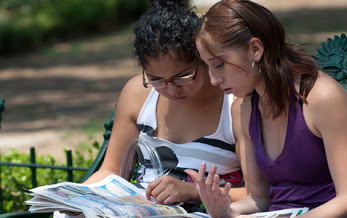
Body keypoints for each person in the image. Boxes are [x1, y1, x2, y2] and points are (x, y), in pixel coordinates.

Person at [185, 0, 347, 217]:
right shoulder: (243, 109)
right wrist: (225, 211)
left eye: (219, 64)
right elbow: (259, 198)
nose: (214, 79)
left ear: (255, 49)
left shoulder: (321, 97)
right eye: (208, 67)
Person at [82, 0, 245, 208]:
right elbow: (111, 172)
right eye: (156, 79)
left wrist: (194, 192)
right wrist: (76, 198)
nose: (170, 89)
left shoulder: (233, 105)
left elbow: (259, 193)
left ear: (203, 59)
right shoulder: (137, 94)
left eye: (183, 77)